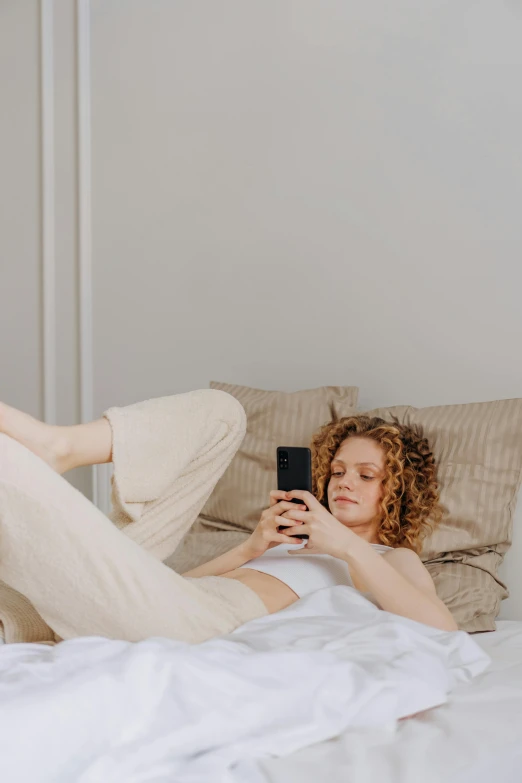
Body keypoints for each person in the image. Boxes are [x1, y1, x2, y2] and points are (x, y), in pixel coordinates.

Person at [0, 389, 457, 646]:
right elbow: (177, 589)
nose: (343, 482)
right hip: (166, 602)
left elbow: (442, 629)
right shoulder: (285, 543)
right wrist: (250, 548)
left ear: (395, 493)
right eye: (337, 471)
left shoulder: (388, 558)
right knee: (223, 415)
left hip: (192, 623)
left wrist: (343, 543)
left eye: (365, 475)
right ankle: (63, 446)